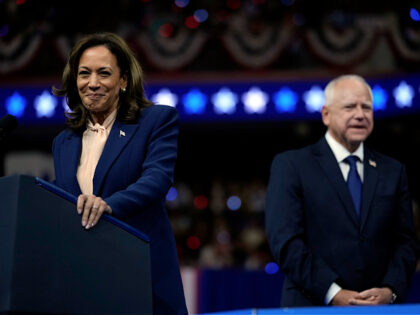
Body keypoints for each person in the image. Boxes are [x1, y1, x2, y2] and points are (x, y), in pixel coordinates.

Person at [52, 32, 188, 315]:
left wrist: (109, 204)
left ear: (124, 80)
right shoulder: (63, 142)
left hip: (140, 277)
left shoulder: (156, 120)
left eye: (104, 73)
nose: (92, 83)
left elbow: (156, 180)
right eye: (84, 74)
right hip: (84, 284)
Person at [265, 74, 419, 307]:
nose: (360, 114)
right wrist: (333, 292)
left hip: (381, 311)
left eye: (366, 107)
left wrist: (391, 290)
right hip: (313, 307)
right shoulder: (292, 166)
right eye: (349, 107)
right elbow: (286, 242)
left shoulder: (393, 171)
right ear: (326, 114)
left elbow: (406, 242)